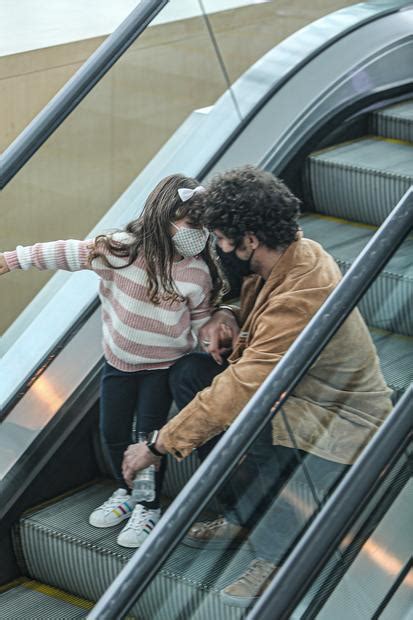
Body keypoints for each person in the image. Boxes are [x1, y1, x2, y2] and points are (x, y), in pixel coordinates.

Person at [121, 165, 393, 606]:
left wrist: (156, 444)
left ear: (249, 239)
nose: (215, 245)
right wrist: (227, 315)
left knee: (255, 433)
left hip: (337, 420)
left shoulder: (303, 292)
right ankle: (242, 513)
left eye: (222, 238)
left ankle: (277, 557)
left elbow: (243, 387)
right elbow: (247, 305)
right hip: (290, 394)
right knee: (189, 374)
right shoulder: (282, 255)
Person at [0, 173, 226, 549]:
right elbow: (65, 252)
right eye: (189, 223)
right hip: (118, 364)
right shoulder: (120, 251)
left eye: (202, 226)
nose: (196, 233)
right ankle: (126, 492)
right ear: (162, 216)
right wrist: (12, 259)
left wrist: (213, 340)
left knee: (147, 438)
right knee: (112, 431)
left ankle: (148, 507)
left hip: (164, 368)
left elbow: (201, 320)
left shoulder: (197, 272)